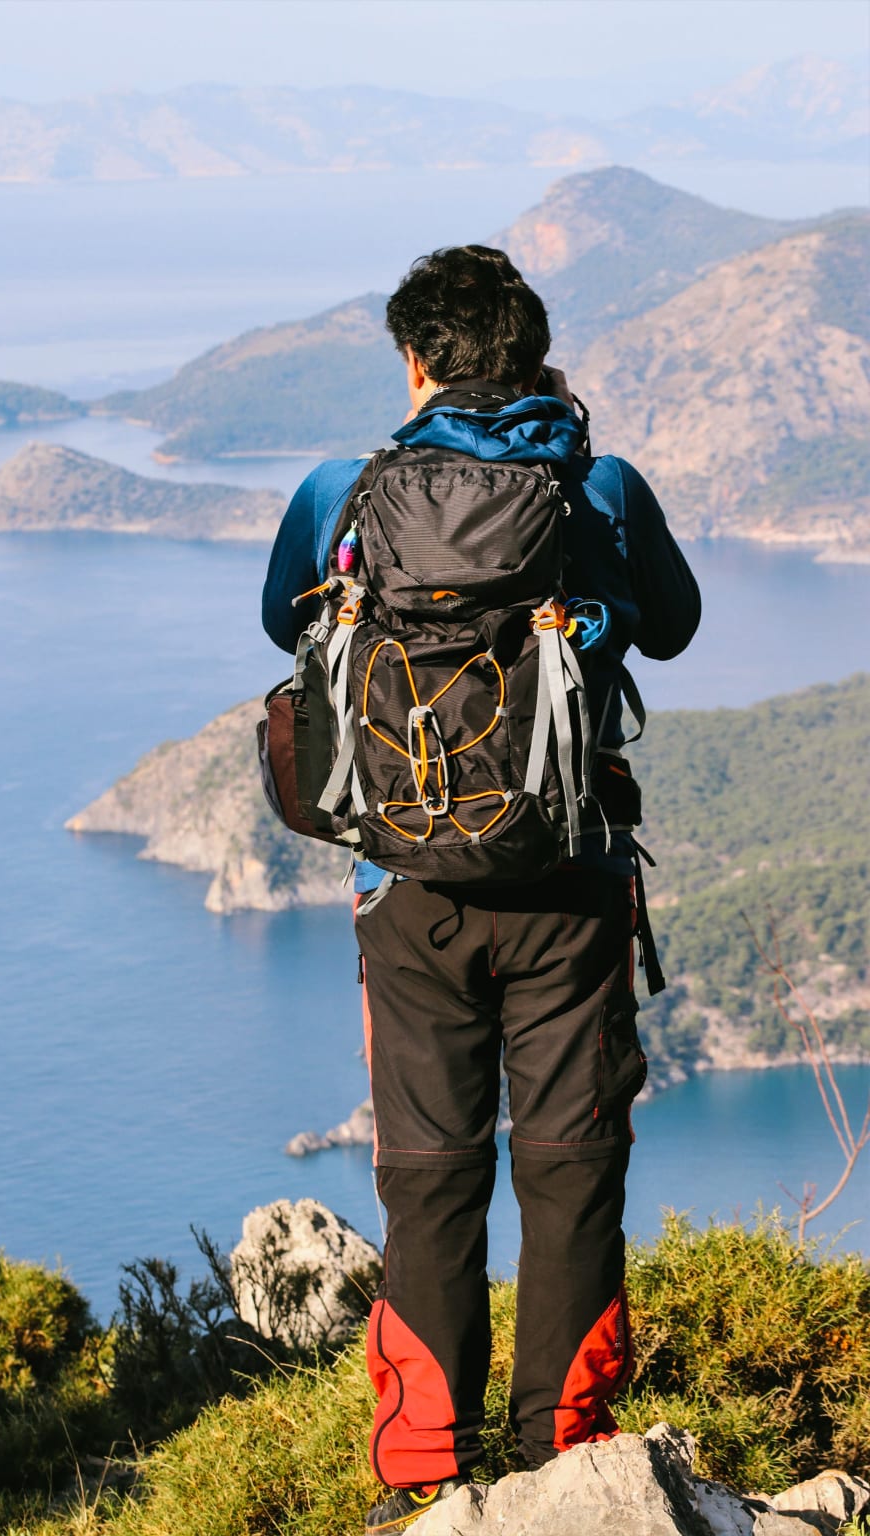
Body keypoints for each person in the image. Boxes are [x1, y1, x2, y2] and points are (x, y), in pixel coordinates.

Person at [262, 245, 701, 1535]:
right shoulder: (598, 486)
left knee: (427, 1169)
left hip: (405, 895)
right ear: (534, 352)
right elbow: (670, 623)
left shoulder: (346, 490)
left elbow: (281, 620)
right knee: (572, 1163)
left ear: (414, 361)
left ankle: (426, 1469)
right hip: (568, 884)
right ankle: (563, 1457)